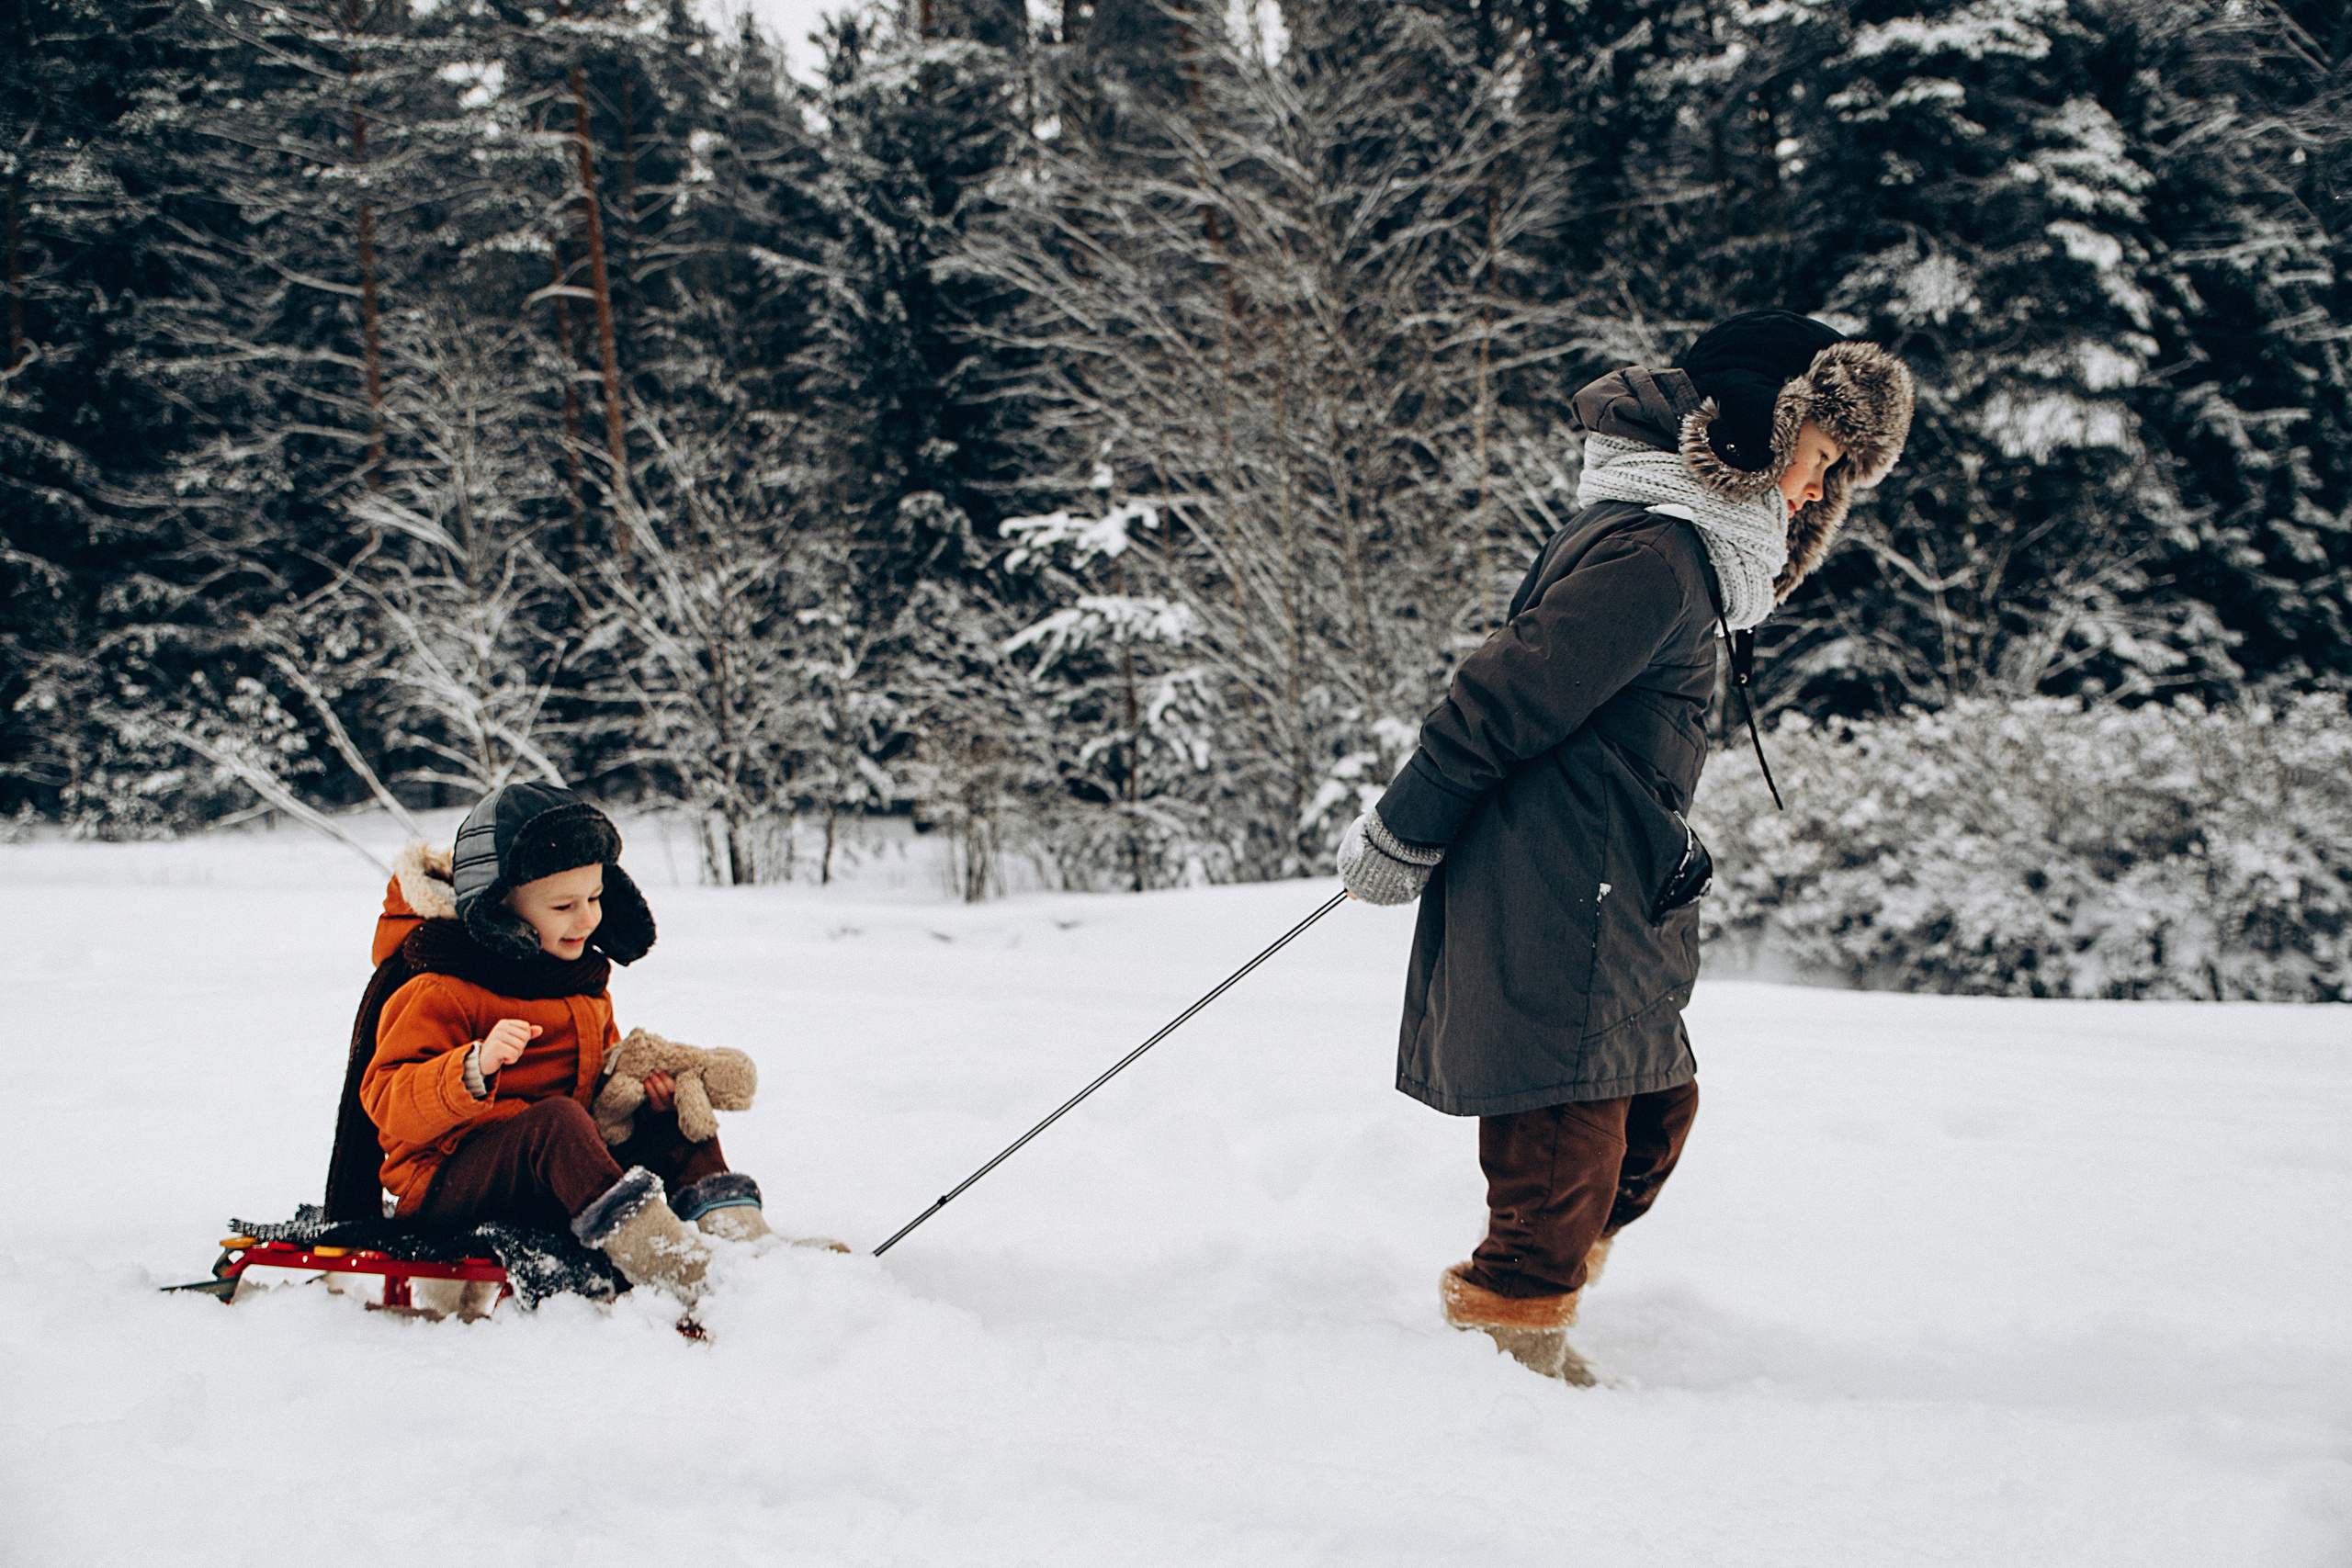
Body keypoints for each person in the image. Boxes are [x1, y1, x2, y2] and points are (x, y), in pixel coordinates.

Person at [1336, 311, 1915, 1382]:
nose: (1809, 495)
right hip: (1557, 884)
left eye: (1833, 480)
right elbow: (1497, 697)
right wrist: (1404, 829)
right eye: (1818, 460)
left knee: (1650, 1108)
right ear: (1758, 425)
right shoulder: (1655, 552)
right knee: (1567, 1122)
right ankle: (1509, 1349)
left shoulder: (1686, 554)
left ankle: (1541, 1286)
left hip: (1615, 882)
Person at [355, 782, 774, 1305]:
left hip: (556, 1169)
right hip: (449, 1180)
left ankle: (745, 1246)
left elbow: (593, 1093)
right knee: (557, 1123)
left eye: (595, 898)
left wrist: (638, 1095)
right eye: (563, 906)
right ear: (500, 908)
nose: (587, 919)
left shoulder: (577, 985)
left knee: (672, 1117)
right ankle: (671, 1264)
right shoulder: (439, 984)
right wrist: (473, 1066)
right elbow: (386, 1100)